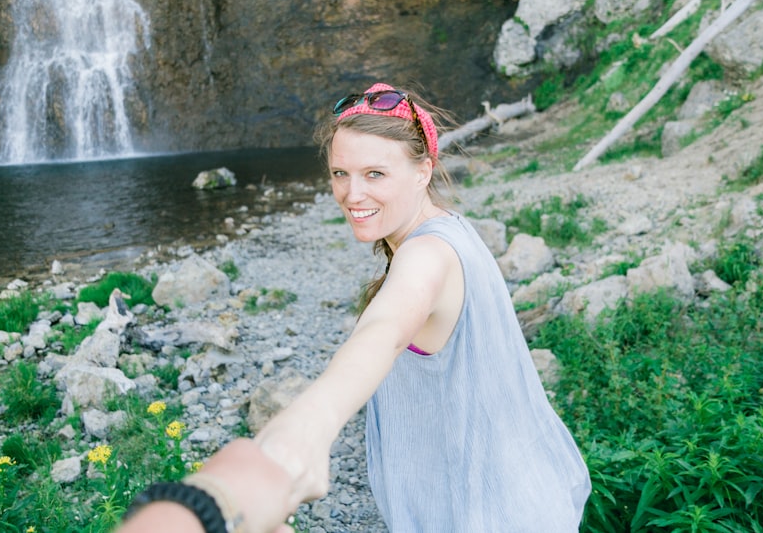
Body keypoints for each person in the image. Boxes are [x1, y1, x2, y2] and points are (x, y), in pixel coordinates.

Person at [119, 82, 591, 532]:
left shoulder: (426, 257)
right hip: (516, 497)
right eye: (340, 173)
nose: (352, 194)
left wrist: (307, 424)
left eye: (375, 174)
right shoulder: (449, 227)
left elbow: (381, 334)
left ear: (424, 169)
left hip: (489, 517)